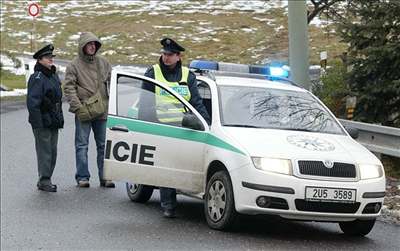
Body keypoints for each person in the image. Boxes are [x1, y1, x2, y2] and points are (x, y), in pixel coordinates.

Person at [142, 37, 210, 218]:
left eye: (170, 54)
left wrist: (205, 123)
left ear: (178, 56)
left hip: (185, 128)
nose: (166, 57)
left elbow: (196, 102)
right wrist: (148, 128)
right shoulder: (152, 73)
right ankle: (169, 205)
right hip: (162, 128)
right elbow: (144, 104)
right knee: (168, 166)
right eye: (164, 54)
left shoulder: (188, 75)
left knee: (181, 165)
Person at [64, 32, 115, 188]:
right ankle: (83, 177)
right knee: (82, 145)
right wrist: (78, 108)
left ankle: (105, 177)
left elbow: (112, 83)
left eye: (95, 44)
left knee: (103, 146)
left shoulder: (104, 63)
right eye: (89, 44)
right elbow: (68, 87)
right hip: (83, 111)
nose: (92, 46)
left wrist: (111, 104)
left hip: (102, 111)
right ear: (82, 46)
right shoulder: (73, 65)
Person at [27, 44, 64, 192]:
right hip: (42, 121)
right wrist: (38, 124)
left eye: (51, 57)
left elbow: (58, 99)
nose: (51, 59)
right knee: (45, 152)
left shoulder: (52, 75)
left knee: (52, 151)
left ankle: (46, 178)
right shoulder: (37, 77)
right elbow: (33, 103)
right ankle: (44, 180)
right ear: (40, 59)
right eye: (48, 57)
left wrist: (59, 118)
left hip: (53, 119)